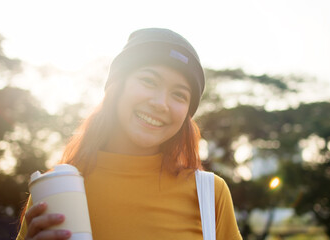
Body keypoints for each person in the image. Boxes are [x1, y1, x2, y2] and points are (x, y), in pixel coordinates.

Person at [16, 28, 242, 240]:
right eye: (148, 81)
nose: (160, 104)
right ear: (117, 87)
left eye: (179, 95)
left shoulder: (211, 195)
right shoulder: (56, 190)